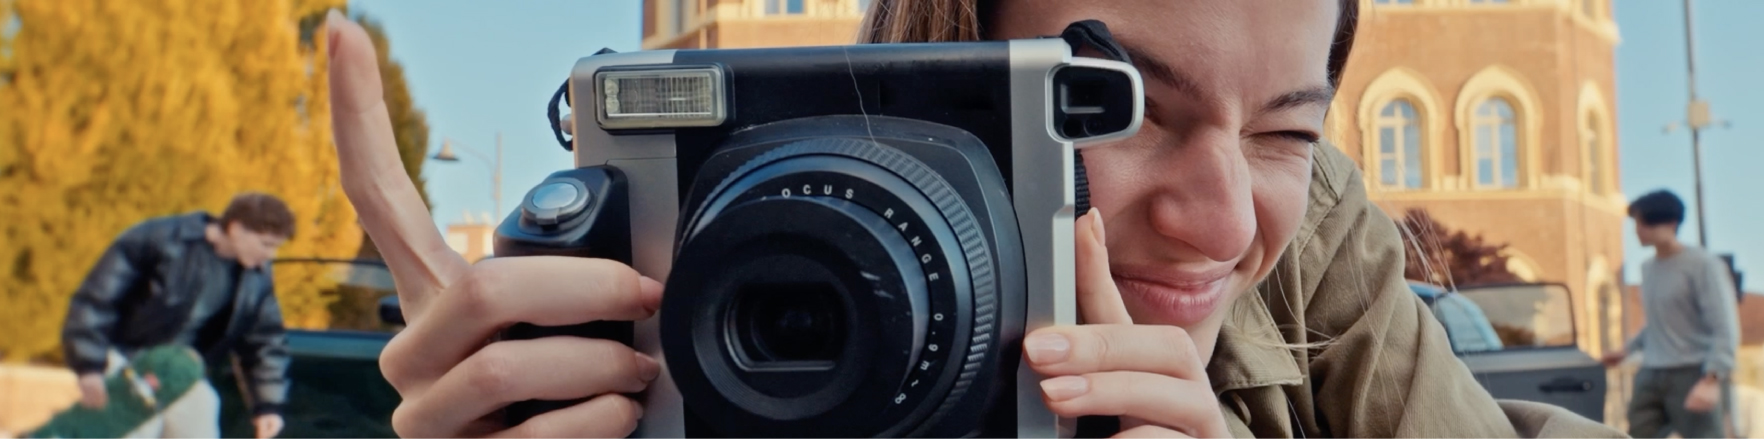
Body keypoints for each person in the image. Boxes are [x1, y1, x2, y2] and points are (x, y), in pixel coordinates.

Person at [322, 0, 1625, 437]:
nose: (1225, 219)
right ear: (940, 68)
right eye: (1112, 104)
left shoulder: (1310, 238)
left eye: (1287, 127)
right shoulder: (681, 302)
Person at [60, 192, 296, 439]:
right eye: (266, 244)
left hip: (184, 373)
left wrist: (268, 406)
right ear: (236, 229)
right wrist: (89, 366)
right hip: (128, 360)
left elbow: (264, 341)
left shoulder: (256, 277)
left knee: (200, 419)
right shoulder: (157, 239)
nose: (271, 255)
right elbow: (96, 301)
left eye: (276, 247)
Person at [1601, 189, 1741, 438]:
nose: (1638, 230)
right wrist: (1626, 350)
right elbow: (1657, 322)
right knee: (1636, 434)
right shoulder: (1648, 269)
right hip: (1651, 371)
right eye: (1636, 224)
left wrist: (1712, 379)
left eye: (1644, 223)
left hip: (1693, 372)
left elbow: (1724, 326)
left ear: (1671, 223)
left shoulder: (1703, 265)